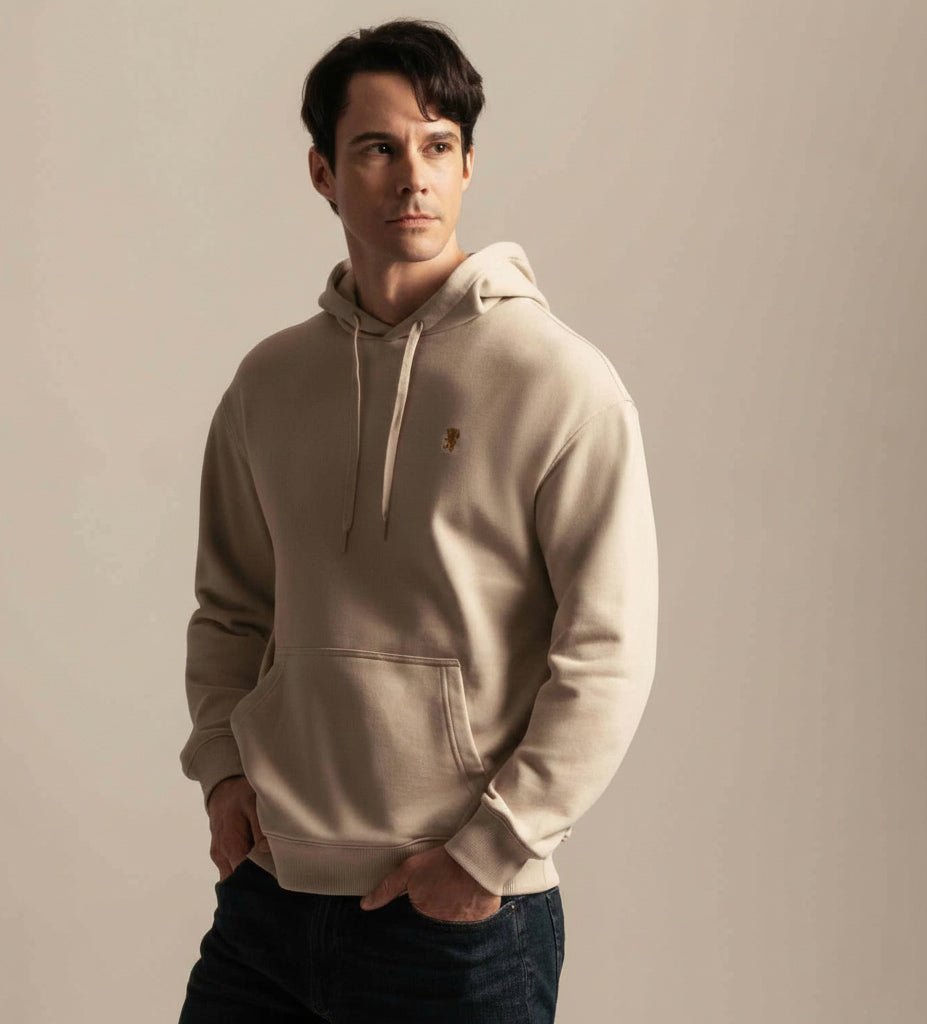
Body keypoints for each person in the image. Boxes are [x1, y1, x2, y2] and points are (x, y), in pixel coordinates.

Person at [176, 17, 659, 1024]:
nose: (413, 177)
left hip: (457, 918)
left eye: (438, 146)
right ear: (322, 172)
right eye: (377, 148)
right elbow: (231, 607)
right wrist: (222, 772)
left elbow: (607, 650)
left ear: (468, 164)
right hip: (271, 899)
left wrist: (490, 852)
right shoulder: (269, 383)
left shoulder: (560, 382)